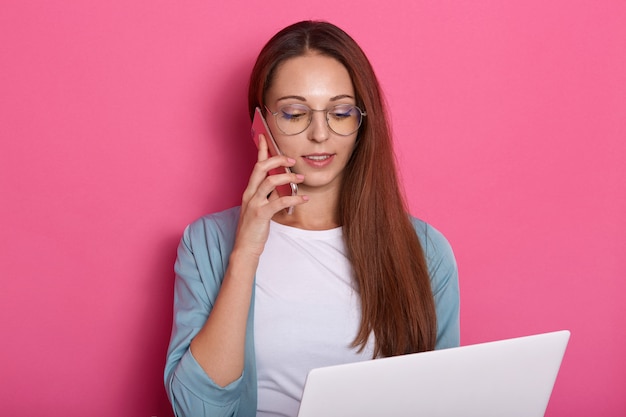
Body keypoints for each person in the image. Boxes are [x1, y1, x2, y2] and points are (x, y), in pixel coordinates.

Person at [164, 20, 460, 417]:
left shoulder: (424, 250)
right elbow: (194, 409)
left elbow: (444, 401)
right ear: (261, 125)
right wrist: (247, 251)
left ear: (362, 122)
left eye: (340, 112)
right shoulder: (208, 243)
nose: (320, 134)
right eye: (293, 113)